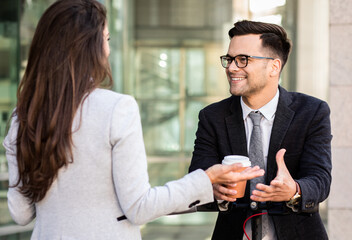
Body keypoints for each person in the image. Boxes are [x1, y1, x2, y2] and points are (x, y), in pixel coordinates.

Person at [3, 2, 265, 240]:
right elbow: (139, 207)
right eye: (106, 39)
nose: (108, 49)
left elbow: (21, 213)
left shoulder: (22, 117)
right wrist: (206, 179)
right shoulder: (117, 109)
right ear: (89, 48)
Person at [189, 20, 332, 240]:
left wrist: (294, 189)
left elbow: (320, 180)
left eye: (243, 60)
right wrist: (213, 189)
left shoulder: (312, 112)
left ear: (274, 66)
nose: (232, 67)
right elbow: (197, 177)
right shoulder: (212, 117)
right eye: (229, 59)